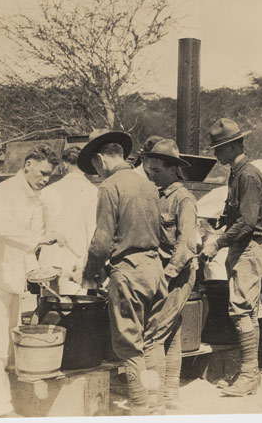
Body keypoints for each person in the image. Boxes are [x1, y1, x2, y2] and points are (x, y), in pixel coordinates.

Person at [0, 145, 61, 418]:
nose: (45, 179)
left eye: (49, 176)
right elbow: (1, 230)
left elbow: (27, 243)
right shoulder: (2, 193)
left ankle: (12, 400)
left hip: (11, 278)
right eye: (42, 173)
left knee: (10, 342)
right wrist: (39, 240)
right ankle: (0, 410)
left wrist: (36, 270)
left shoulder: (35, 199)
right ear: (27, 165)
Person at [79, 130, 164, 415]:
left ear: (100, 160)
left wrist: (90, 273)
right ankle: (157, 403)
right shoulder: (148, 185)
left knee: (129, 345)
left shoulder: (110, 186)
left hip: (128, 272)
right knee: (152, 342)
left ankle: (140, 407)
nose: (97, 174)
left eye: (95, 168)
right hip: (154, 270)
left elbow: (102, 240)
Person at [200, 118, 262, 396]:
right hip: (243, 248)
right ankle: (249, 374)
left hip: (250, 248)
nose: (216, 155)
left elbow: (247, 221)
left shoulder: (248, 175)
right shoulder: (237, 172)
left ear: (232, 147)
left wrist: (216, 243)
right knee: (247, 312)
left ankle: (248, 374)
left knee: (241, 311)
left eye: (219, 149)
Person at [141, 139, 199, 412]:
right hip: (161, 272)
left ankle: (154, 403)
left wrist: (166, 276)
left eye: (157, 171)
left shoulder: (183, 199)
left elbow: (186, 245)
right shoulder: (156, 194)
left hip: (177, 274)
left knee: (152, 337)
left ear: (174, 169)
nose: (152, 175)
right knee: (170, 334)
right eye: (150, 171)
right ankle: (170, 395)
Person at [39, 146, 98, 294]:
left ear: (64, 166)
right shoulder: (95, 193)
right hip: (78, 265)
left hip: (48, 265)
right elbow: (94, 234)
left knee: (49, 311)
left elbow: (39, 232)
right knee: (77, 312)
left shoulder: (47, 192)